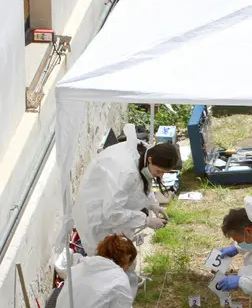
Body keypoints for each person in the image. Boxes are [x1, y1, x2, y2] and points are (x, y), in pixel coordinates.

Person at [72, 123, 179, 296]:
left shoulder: (143, 152)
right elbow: (112, 213)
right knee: (108, 265)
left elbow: (139, 186)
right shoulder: (126, 172)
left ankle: (123, 297)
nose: (160, 176)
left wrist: (151, 203)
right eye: (159, 171)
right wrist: (146, 220)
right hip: (98, 220)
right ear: (150, 160)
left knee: (124, 261)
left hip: (110, 208)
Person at [56, 234, 137, 308]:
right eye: (129, 265)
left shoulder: (80, 266)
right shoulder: (120, 279)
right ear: (128, 258)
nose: (127, 269)